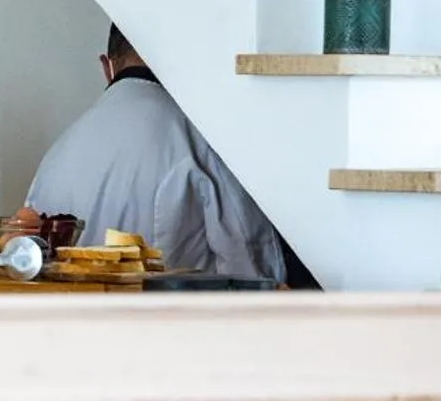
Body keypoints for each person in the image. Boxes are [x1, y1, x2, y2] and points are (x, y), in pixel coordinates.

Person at [25, 26, 317, 287]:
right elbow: (250, 260)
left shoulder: (58, 151)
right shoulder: (197, 138)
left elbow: (27, 250)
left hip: (75, 333)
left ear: (107, 66)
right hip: (169, 333)